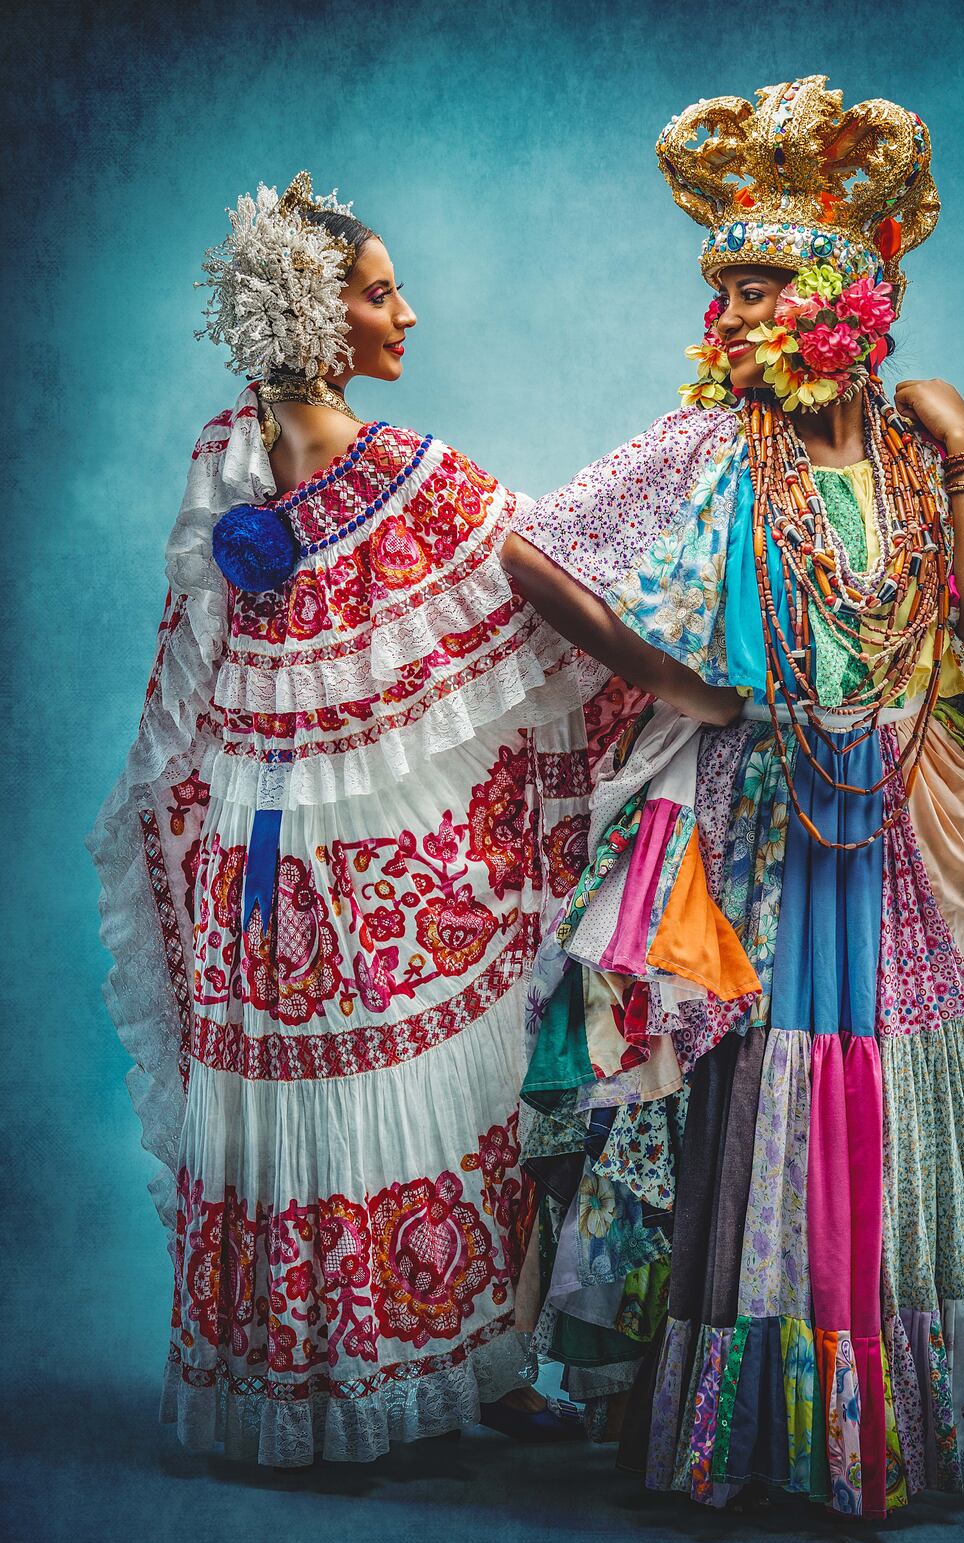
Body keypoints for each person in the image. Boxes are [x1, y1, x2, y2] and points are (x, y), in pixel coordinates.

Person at [502, 77, 964, 1518]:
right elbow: (534, 551)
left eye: (757, 286)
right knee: (752, 1083)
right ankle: (744, 1427)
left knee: (882, 1075)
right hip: (755, 823)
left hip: (885, 826)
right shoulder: (710, 448)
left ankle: (865, 1426)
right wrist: (679, 682)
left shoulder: (915, 461)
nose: (729, 314)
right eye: (724, 289)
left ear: (841, 299)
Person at [88, 171, 601, 1466]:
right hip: (345, 848)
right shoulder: (403, 471)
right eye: (381, 294)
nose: (406, 315)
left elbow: (191, 669)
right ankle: (427, 1371)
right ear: (318, 317)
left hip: (249, 839)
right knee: (414, 1070)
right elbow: (551, 580)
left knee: (294, 1091)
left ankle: (308, 1389)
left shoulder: (224, 450)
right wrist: (682, 665)